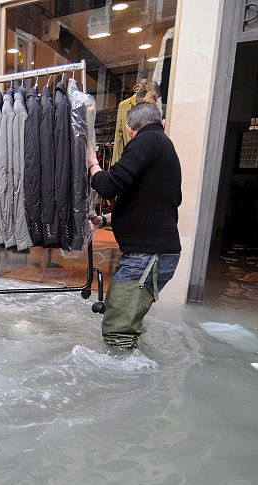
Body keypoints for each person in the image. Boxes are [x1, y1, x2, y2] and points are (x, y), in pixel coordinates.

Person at [86, 102, 182, 353]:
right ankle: (134, 372)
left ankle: (125, 385)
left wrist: (91, 163)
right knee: (124, 322)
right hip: (152, 254)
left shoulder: (147, 141)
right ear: (161, 122)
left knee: (118, 330)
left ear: (129, 129)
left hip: (147, 256)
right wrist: (106, 220)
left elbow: (108, 186)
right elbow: (148, 202)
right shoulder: (163, 146)